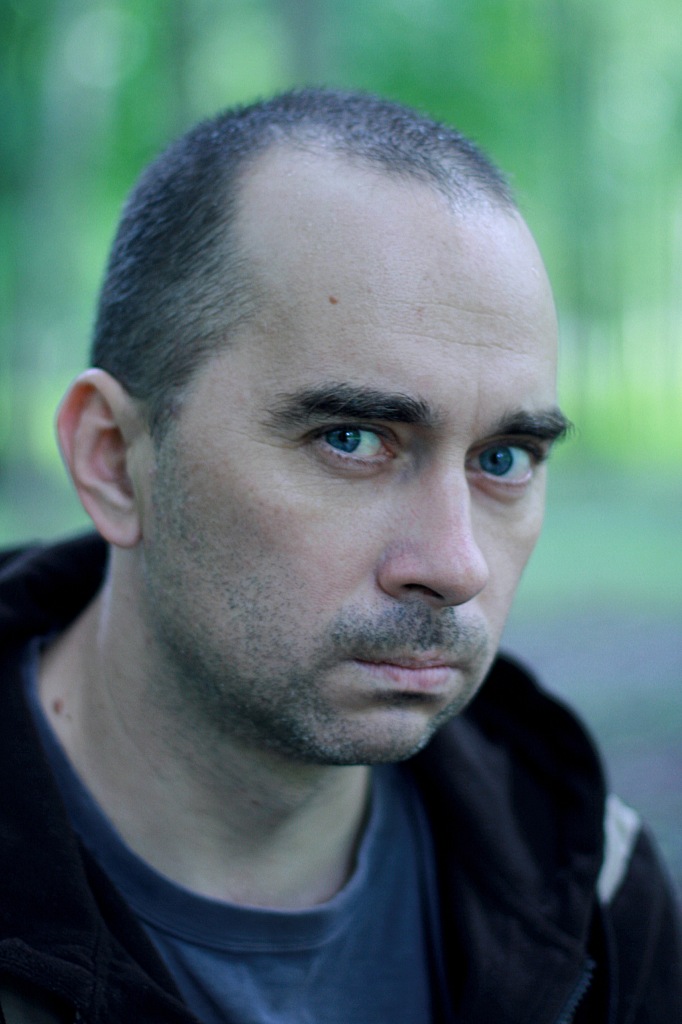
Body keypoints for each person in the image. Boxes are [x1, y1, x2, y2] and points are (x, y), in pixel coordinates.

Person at [0, 88, 679, 1024]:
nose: (456, 566)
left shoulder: (594, 889)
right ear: (115, 460)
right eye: (352, 439)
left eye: (504, 458)